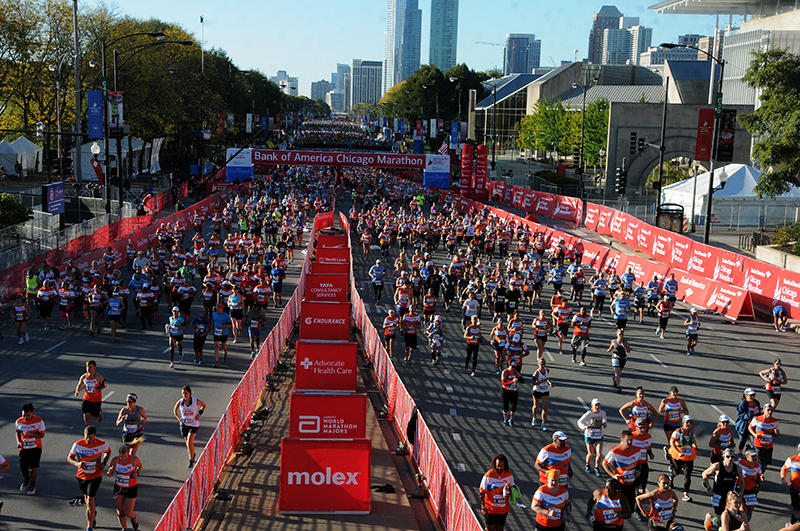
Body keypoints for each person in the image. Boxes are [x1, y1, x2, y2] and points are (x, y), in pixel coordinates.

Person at [67, 425, 111, 531]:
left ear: (95, 436)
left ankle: (89, 526)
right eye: (86, 437)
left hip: (95, 476)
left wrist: (104, 463)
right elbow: (69, 458)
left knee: (91, 499)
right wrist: (77, 464)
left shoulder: (101, 444)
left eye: (90, 437)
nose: (88, 439)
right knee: (87, 499)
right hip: (82, 476)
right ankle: (93, 513)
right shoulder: (78, 444)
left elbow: (108, 451)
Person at [105, 443, 142, 531]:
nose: (123, 458)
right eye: (121, 456)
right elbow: (110, 472)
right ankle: (124, 528)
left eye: (125, 456)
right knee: (120, 511)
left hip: (131, 487)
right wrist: (109, 472)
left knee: (128, 513)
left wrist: (137, 473)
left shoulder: (134, 459)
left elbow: (140, 466)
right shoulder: (115, 460)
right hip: (119, 487)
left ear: (128, 453)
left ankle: (133, 518)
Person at [603, 430, 641, 515]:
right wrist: (613, 475)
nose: (629, 442)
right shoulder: (615, 451)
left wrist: (639, 471)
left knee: (630, 508)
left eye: (631, 440)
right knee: (619, 508)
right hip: (620, 484)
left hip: (631, 483)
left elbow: (640, 462)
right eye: (627, 440)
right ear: (622, 440)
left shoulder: (637, 450)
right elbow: (604, 463)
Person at [702, 447, 743, 519]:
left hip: (729, 495)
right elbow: (704, 474)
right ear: (723, 456)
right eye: (728, 456)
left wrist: (741, 494)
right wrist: (709, 488)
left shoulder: (737, 468)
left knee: (730, 516)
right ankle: (711, 520)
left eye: (732, 457)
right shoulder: (717, 466)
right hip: (717, 494)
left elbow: (742, 482)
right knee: (721, 517)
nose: (730, 459)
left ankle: (712, 521)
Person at [16, 402, 45, 496]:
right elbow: (17, 432)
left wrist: (31, 434)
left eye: (28, 415)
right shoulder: (18, 421)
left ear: (32, 413)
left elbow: (42, 435)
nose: (25, 418)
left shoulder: (39, 421)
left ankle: (32, 485)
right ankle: (27, 478)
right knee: (23, 468)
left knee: (33, 468)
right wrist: (18, 441)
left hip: (35, 448)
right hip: (24, 448)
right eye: (24, 415)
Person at [479, 453, 514, 531]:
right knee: (489, 528)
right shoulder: (488, 475)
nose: (499, 468)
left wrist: (509, 494)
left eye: (502, 466)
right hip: (490, 509)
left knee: (500, 528)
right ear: (494, 464)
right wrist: (483, 506)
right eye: (498, 465)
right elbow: (482, 492)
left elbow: (512, 488)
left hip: (503, 509)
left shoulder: (508, 475)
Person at [174, 385, 206, 468]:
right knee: (188, 444)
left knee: (189, 442)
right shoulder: (180, 402)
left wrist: (199, 414)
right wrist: (179, 419)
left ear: (190, 393)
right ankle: (192, 453)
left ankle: (190, 460)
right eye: (183, 393)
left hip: (194, 424)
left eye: (186, 393)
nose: (184, 395)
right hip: (184, 425)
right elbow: (175, 411)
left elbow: (203, 405)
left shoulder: (195, 401)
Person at [668, 415, 698, 502]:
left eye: (690, 422)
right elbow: (672, 442)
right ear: (683, 423)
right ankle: (671, 477)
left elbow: (694, 441)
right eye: (687, 422)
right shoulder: (677, 432)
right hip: (678, 455)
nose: (688, 424)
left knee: (688, 475)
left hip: (689, 455)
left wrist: (696, 448)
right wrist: (678, 452)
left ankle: (686, 494)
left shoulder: (692, 432)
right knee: (677, 471)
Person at [579, 398, 608, 476]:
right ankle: (587, 465)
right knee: (591, 453)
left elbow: (605, 420)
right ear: (592, 406)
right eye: (595, 405)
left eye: (598, 405)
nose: (597, 407)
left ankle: (596, 467)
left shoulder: (602, 413)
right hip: (589, 436)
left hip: (599, 435)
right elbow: (580, 421)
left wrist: (604, 424)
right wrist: (585, 427)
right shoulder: (588, 414)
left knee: (599, 454)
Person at [75, 360, 107, 426]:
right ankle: (90, 428)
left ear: (94, 367)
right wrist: (77, 391)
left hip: (96, 400)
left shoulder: (98, 377)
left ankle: (99, 413)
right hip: (86, 398)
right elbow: (79, 384)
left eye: (90, 367)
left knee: (94, 417)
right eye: (87, 367)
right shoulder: (84, 377)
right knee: (85, 415)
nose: (88, 369)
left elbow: (104, 385)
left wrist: (97, 390)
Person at [748, 403, 779, 472]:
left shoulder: (775, 421)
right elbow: (750, 427)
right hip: (758, 444)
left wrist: (777, 433)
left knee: (766, 463)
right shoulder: (757, 419)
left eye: (771, 410)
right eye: (768, 410)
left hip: (769, 445)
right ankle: (756, 475)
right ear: (764, 410)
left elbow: (776, 435)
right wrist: (755, 434)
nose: (770, 412)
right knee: (761, 462)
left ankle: (759, 474)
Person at [737, 447, 762, 520]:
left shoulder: (757, 466)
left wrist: (761, 478)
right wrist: (740, 477)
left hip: (752, 490)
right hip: (741, 489)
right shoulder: (740, 463)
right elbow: (734, 474)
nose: (754, 458)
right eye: (752, 456)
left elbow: (759, 477)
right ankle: (743, 525)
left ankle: (745, 523)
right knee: (743, 510)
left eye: (755, 456)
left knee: (750, 511)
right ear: (746, 455)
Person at [532, 358, 553, 430]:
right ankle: (534, 417)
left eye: (544, 364)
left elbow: (547, 378)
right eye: (541, 364)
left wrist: (549, 383)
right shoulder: (537, 373)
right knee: (536, 406)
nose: (543, 366)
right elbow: (533, 383)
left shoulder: (547, 370)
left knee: (545, 407)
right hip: (537, 391)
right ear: (538, 364)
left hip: (545, 390)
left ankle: (543, 423)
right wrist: (541, 382)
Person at [781, 444, 800, 526]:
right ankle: (792, 524)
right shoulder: (792, 460)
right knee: (797, 514)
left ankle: (792, 524)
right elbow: (784, 468)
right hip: (795, 489)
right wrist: (783, 479)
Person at [500, 359, 521, 426]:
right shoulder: (505, 372)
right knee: (506, 407)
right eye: (512, 366)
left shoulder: (516, 372)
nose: (513, 368)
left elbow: (522, 381)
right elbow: (503, 383)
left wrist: (519, 378)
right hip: (506, 391)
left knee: (513, 407)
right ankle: (505, 419)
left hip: (514, 391)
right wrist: (512, 381)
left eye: (514, 366)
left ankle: (511, 419)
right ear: (509, 365)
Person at [211, 304, 232, 368]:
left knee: (223, 346)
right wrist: (212, 328)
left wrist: (223, 326)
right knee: (216, 346)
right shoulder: (214, 314)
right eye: (216, 308)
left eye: (218, 308)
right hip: (216, 332)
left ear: (222, 309)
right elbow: (213, 321)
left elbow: (230, 325)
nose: (217, 309)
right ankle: (217, 362)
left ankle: (225, 352)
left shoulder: (226, 316)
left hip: (224, 333)